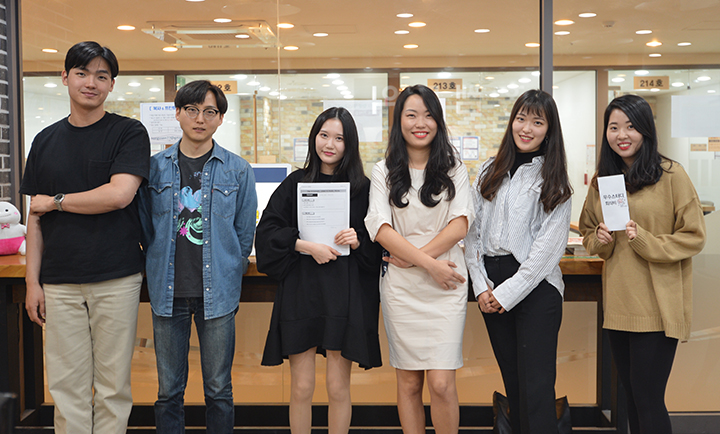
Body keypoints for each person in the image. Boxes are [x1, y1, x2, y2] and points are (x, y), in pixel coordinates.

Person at [20, 41, 151, 434]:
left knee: (113, 388)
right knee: (66, 387)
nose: (91, 82)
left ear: (112, 84)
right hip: (58, 281)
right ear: (65, 77)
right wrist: (32, 283)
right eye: (82, 73)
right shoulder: (44, 140)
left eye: (101, 76)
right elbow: (35, 216)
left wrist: (57, 201)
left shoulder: (128, 132)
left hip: (116, 276)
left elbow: (119, 195)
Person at [579, 94, 706, 434]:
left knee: (648, 398)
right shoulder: (604, 179)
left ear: (646, 130)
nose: (622, 135)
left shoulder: (671, 175)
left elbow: (694, 236)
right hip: (619, 305)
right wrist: (600, 239)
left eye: (631, 126)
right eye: (613, 127)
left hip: (658, 305)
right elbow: (589, 232)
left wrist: (646, 241)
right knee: (633, 398)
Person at [138, 80, 257, 434]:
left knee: (219, 390)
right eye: (191, 110)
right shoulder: (153, 169)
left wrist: (231, 271)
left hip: (217, 295)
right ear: (177, 113)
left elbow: (244, 233)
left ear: (220, 118)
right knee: (168, 392)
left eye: (209, 112)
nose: (200, 119)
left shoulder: (238, 170)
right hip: (167, 294)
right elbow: (144, 227)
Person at [257, 107, 382, 434]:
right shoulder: (295, 183)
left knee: (338, 388)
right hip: (302, 292)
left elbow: (379, 247)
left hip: (345, 296)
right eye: (324, 135)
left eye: (339, 138)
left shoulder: (363, 189)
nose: (330, 144)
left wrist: (358, 240)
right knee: (301, 387)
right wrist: (304, 245)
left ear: (350, 144)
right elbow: (266, 233)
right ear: (314, 138)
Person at [364, 84, 473, 434]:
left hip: (446, 283)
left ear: (438, 121)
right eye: (411, 115)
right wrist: (427, 264)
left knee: (441, 384)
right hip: (402, 289)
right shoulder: (383, 170)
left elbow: (459, 225)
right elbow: (380, 229)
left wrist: (418, 260)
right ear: (400, 121)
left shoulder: (455, 169)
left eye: (428, 115)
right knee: (409, 383)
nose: (420, 123)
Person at [464, 89, 572, 434]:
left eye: (537, 122)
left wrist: (505, 293)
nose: (526, 128)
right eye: (521, 119)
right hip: (491, 283)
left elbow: (548, 250)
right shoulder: (488, 170)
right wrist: (481, 286)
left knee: (536, 387)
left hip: (536, 287)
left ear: (549, 129)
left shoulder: (554, 179)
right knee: (514, 383)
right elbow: (472, 232)